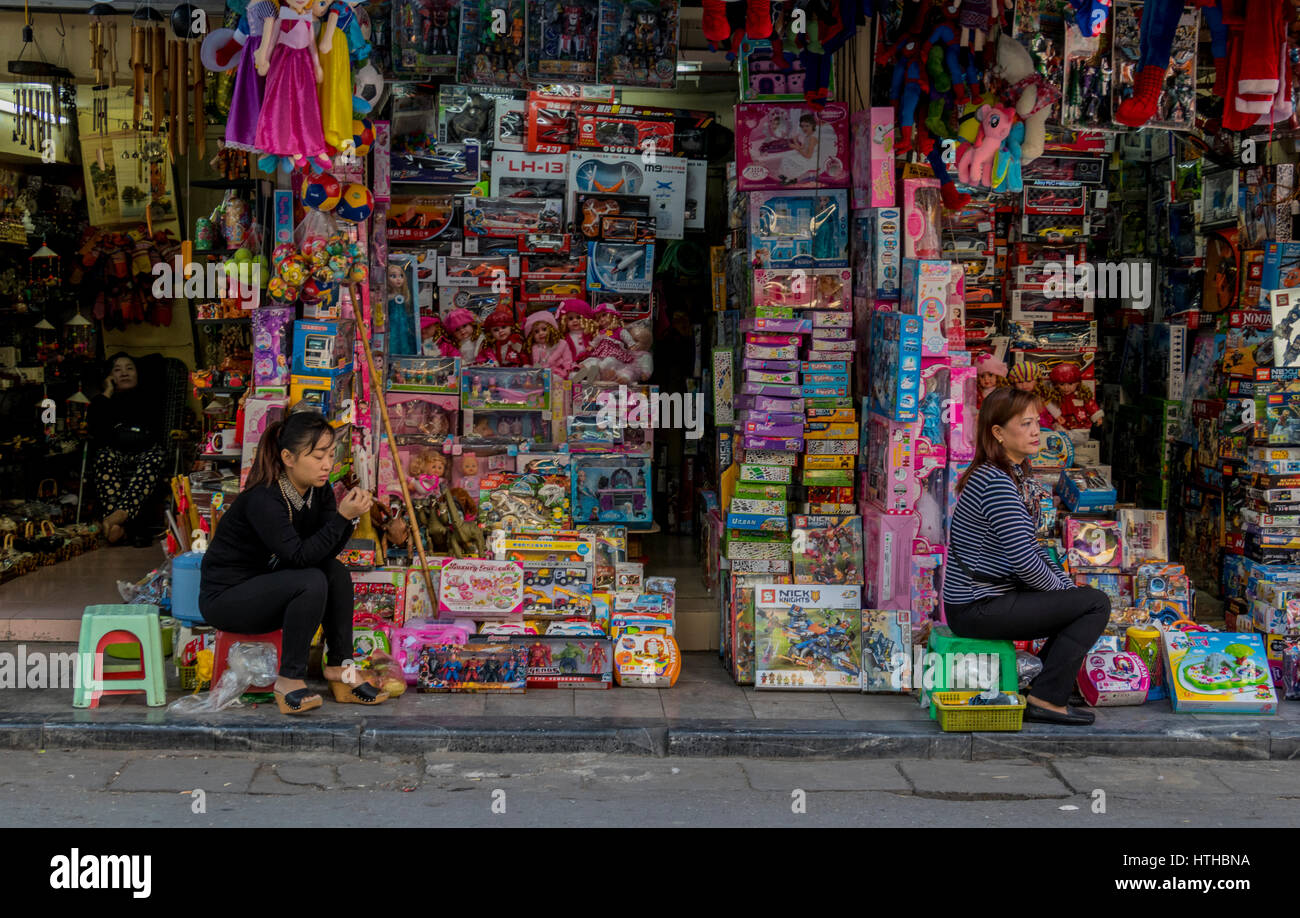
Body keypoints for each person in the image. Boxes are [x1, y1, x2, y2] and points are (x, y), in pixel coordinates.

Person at [199, 411, 390, 714]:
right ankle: (289, 678)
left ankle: (341, 666)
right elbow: (300, 557)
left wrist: (346, 520)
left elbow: (325, 552)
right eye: (317, 456)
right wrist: (342, 517)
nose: (327, 464)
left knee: (334, 572)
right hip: (228, 598)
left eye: (330, 454)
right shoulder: (264, 498)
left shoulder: (320, 490)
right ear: (288, 457)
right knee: (310, 579)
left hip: (270, 585)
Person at [943, 387, 1110, 726]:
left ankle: (1041, 686)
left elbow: (1031, 551)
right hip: (976, 607)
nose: (1037, 431)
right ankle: (1046, 697)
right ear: (999, 433)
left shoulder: (1009, 476)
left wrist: (1066, 590)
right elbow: (1027, 564)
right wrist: (1070, 596)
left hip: (986, 599)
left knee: (1082, 601)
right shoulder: (997, 483)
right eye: (1026, 424)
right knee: (1095, 605)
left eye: (1037, 422)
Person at [89, 353, 167, 546]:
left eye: (129, 368)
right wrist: (107, 392)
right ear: (110, 377)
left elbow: (156, 360)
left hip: (145, 451)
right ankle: (122, 526)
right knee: (103, 456)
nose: (124, 373)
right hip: (117, 451)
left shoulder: (150, 395)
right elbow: (95, 428)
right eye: (117, 369)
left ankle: (117, 518)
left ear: (138, 373)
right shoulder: (107, 401)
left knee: (155, 457)